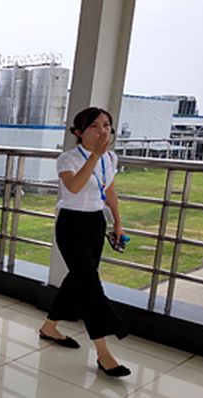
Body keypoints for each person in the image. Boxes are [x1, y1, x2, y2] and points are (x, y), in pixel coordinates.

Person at [38, 106, 131, 378]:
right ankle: (103, 352)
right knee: (90, 286)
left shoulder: (110, 158)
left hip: (95, 223)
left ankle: (49, 327)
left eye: (107, 125)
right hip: (71, 224)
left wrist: (117, 222)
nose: (103, 131)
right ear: (79, 132)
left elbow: (109, 191)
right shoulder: (67, 159)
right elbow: (74, 186)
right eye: (95, 126)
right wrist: (95, 156)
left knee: (78, 280)